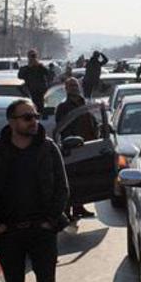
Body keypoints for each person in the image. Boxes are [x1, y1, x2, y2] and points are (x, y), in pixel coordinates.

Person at [0, 99, 68, 282]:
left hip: (42, 232)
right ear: (12, 122)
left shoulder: (48, 149)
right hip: (8, 234)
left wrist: (51, 221)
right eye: (27, 117)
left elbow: (62, 189)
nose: (33, 122)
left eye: (36, 117)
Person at [55, 78, 98, 220]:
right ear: (66, 89)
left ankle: (79, 207)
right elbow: (62, 127)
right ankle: (66, 211)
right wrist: (69, 142)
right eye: (71, 86)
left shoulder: (83, 102)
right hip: (72, 147)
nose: (74, 88)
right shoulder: (63, 106)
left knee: (83, 178)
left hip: (87, 144)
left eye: (75, 85)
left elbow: (91, 119)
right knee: (71, 180)